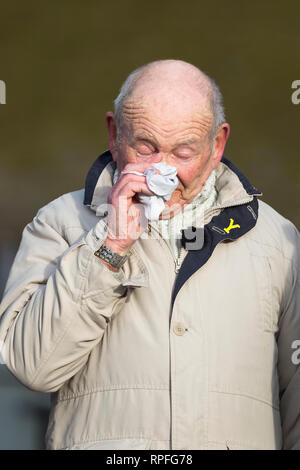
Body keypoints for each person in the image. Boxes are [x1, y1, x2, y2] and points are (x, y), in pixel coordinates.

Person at [0, 59, 299, 450]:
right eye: (145, 147)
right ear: (114, 133)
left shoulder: (278, 240)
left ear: (218, 144)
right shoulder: (58, 223)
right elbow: (32, 367)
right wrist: (110, 247)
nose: (163, 171)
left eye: (184, 152)